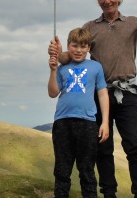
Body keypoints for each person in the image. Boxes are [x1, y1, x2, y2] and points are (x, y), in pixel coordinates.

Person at [49, 0, 137, 198]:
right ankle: (108, 194)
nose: (107, 1)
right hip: (98, 94)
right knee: (102, 148)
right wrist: (58, 54)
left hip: (126, 94)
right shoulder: (90, 27)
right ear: (98, 0)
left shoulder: (133, 24)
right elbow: (75, 53)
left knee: (134, 145)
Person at [48, 27, 110, 198]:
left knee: (87, 170)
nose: (79, 50)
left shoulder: (96, 67)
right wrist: (53, 71)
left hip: (88, 123)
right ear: (68, 46)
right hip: (63, 123)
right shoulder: (62, 68)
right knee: (62, 169)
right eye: (75, 46)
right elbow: (53, 93)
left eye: (83, 47)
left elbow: (102, 93)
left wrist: (104, 122)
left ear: (89, 48)